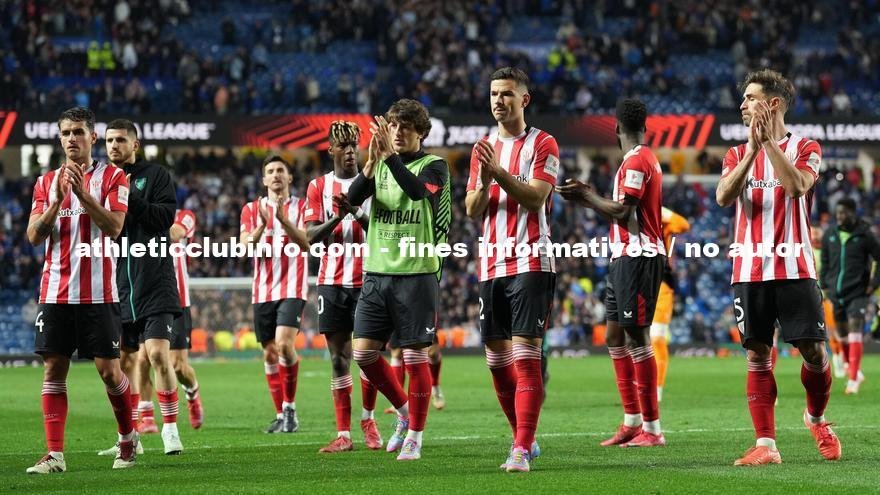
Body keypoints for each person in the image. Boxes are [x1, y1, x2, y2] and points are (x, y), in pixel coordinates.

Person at [715, 69, 840, 465]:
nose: (742, 105)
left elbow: (797, 187)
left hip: (796, 264)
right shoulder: (736, 154)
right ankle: (766, 445)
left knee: (814, 352)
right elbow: (722, 196)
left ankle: (816, 419)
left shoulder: (806, 146)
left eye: (750, 98)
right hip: (749, 267)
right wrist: (753, 149)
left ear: (773, 104)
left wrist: (769, 145)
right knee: (756, 352)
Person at [26, 107, 137, 473]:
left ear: (93, 137)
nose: (71, 138)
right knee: (53, 369)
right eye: (65, 133)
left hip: (100, 293)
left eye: (78, 132)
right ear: (60, 139)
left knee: (109, 371)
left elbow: (115, 228)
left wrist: (84, 196)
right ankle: (55, 455)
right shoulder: (45, 183)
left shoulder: (113, 177)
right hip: (55, 291)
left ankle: (127, 437)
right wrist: (58, 202)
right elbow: (33, 235)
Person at [558, 98, 667, 448]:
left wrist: (587, 196)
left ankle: (652, 429)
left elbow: (622, 211)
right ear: (644, 127)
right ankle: (632, 421)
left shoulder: (637, 159)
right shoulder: (636, 159)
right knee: (614, 336)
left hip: (639, 255)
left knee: (637, 337)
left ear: (616, 128)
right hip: (623, 257)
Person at [465, 67, 559, 472]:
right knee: (496, 360)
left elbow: (537, 197)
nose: (498, 100)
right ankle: (524, 435)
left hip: (531, 259)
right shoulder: (481, 147)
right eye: (493, 93)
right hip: (490, 263)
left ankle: (520, 449)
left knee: (525, 356)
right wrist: (485, 180)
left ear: (525, 99)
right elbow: (472, 209)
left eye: (506, 93)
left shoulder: (543, 143)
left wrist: (498, 173)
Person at [347, 99, 451, 461]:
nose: (398, 132)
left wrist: (389, 158)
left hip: (417, 274)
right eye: (393, 125)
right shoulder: (381, 165)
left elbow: (418, 193)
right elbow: (349, 200)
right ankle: (406, 414)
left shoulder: (435, 166)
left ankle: (415, 438)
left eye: (406, 126)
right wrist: (373, 162)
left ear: (421, 132)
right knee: (362, 353)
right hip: (377, 272)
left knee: (414, 357)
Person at [97, 118, 183, 457]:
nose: (114, 146)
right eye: (109, 140)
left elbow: (164, 220)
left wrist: (129, 195)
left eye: (120, 140)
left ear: (136, 143)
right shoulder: (101, 180)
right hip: (120, 285)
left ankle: (171, 431)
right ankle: (129, 437)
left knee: (159, 354)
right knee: (123, 362)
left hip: (156, 280)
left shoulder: (157, 175)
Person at [304, 121, 382, 452]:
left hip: (369, 279)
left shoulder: (376, 183)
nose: (351, 151)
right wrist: (338, 217)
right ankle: (343, 435)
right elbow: (308, 236)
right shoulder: (317, 187)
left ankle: (368, 419)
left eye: (355, 145)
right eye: (344, 146)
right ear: (331, 150)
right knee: (338, 358)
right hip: (332, 282)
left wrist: (357, 214)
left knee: (367, 355)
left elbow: (381, 228)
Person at [239, 155, 310, 433]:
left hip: (293, 286)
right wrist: (261, 226)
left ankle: (290, 409)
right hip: (263, 289)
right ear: (264, 180)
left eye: (281, 170)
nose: (276, 174)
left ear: (290, 177)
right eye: (270, 171)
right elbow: (245, 246)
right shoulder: (251, 209)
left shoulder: (303, 207)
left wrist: (283, 221)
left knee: (283, 345)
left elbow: (306, 243)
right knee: (269, 353)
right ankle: (281, 414)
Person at [136, 209, 205, 434]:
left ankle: (192, 392)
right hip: (144, 298)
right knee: (142, 357)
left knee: (177, 366)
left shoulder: (184, 215)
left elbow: (175, 233)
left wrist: (142, 226)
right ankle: (146, 416)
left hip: (177, 300)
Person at [820, 198, 879, 394]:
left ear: (854, 213)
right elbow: (825, 262)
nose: (840, 217)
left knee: (855, 326)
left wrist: (873, 283)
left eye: (844, 213)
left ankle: (853, 378)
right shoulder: (830, 234)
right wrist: (825, 286)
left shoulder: (866, 235)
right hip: (836, 292)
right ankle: (850, 366)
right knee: (842, 334)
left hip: (858, 291)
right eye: (838, 213)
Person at [651, 207, 690, 402]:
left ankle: (656, 390)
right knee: (634, 340)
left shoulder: (659, 218)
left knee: (656, 338)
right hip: (633, 279)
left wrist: (659, 208)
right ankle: (639, 388)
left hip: (660, 283)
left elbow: (683, 225)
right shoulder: (629, 212)